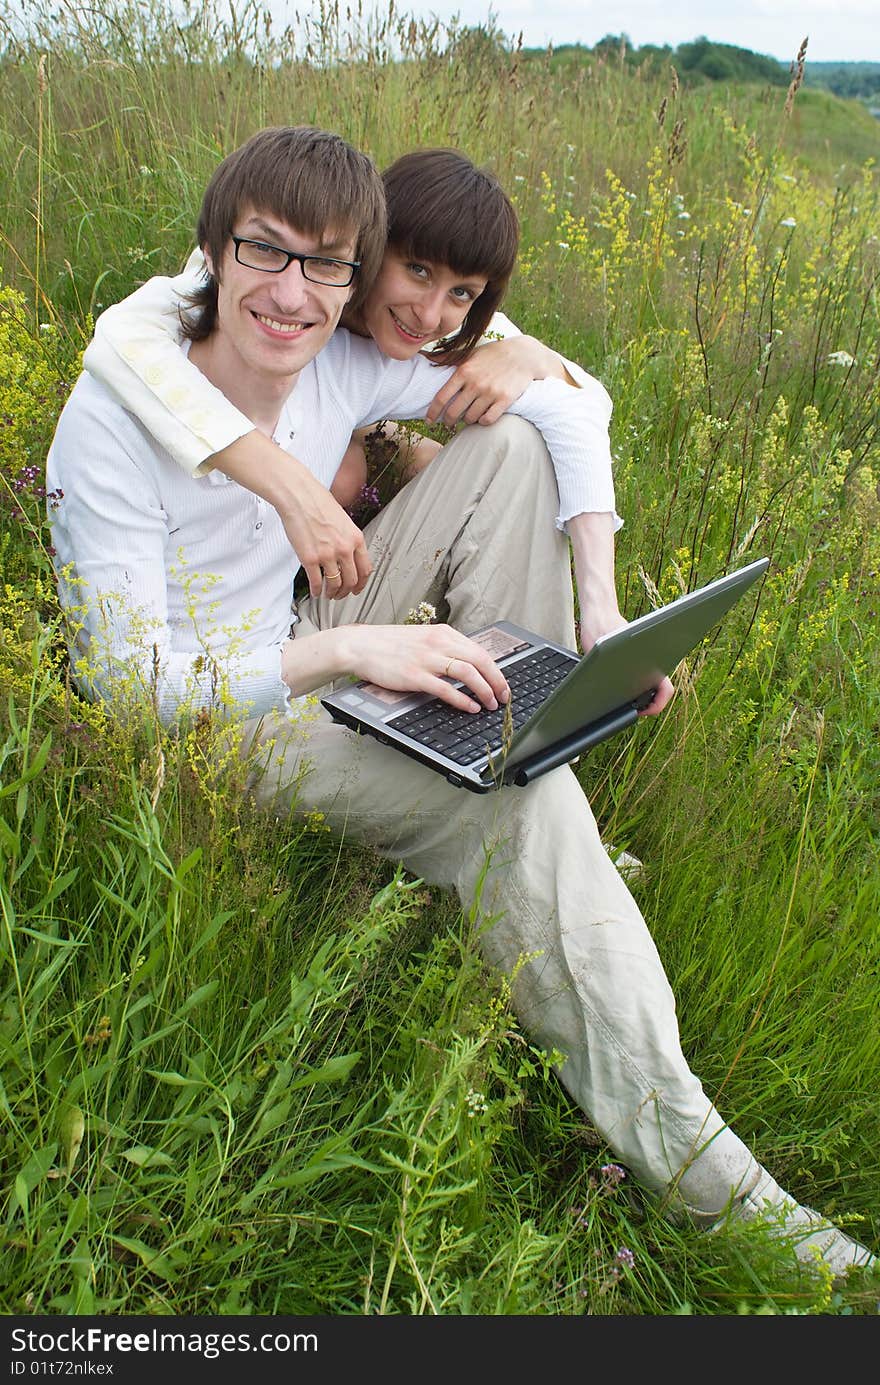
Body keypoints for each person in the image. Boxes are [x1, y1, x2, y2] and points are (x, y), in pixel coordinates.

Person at [49, 125, 876, 1281]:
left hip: (313, 636)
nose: (292, 295)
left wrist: (597, 606)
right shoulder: (113, 418)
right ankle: (714, 1183)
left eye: (326, 266)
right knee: (509, 812)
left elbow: (570, 408)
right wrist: (351, 653)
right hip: (215, 728)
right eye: (264, 254)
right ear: (214, 251)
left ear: (354, 275)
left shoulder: (338, 353)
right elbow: (127, 693)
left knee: (513, 446)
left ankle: (518, 748)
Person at [81, 148, 609, 611]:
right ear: (369, 247)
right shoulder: (252, 277)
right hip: (235, 614)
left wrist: (528, 355)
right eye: (418, 271)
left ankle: (531, 689)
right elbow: (120, 339)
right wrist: (296, 489)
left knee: (496, 442)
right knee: (350, 472)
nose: (428, 317)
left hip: (315, 587)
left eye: (462, 293)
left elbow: (583, 401)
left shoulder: (435, 332)